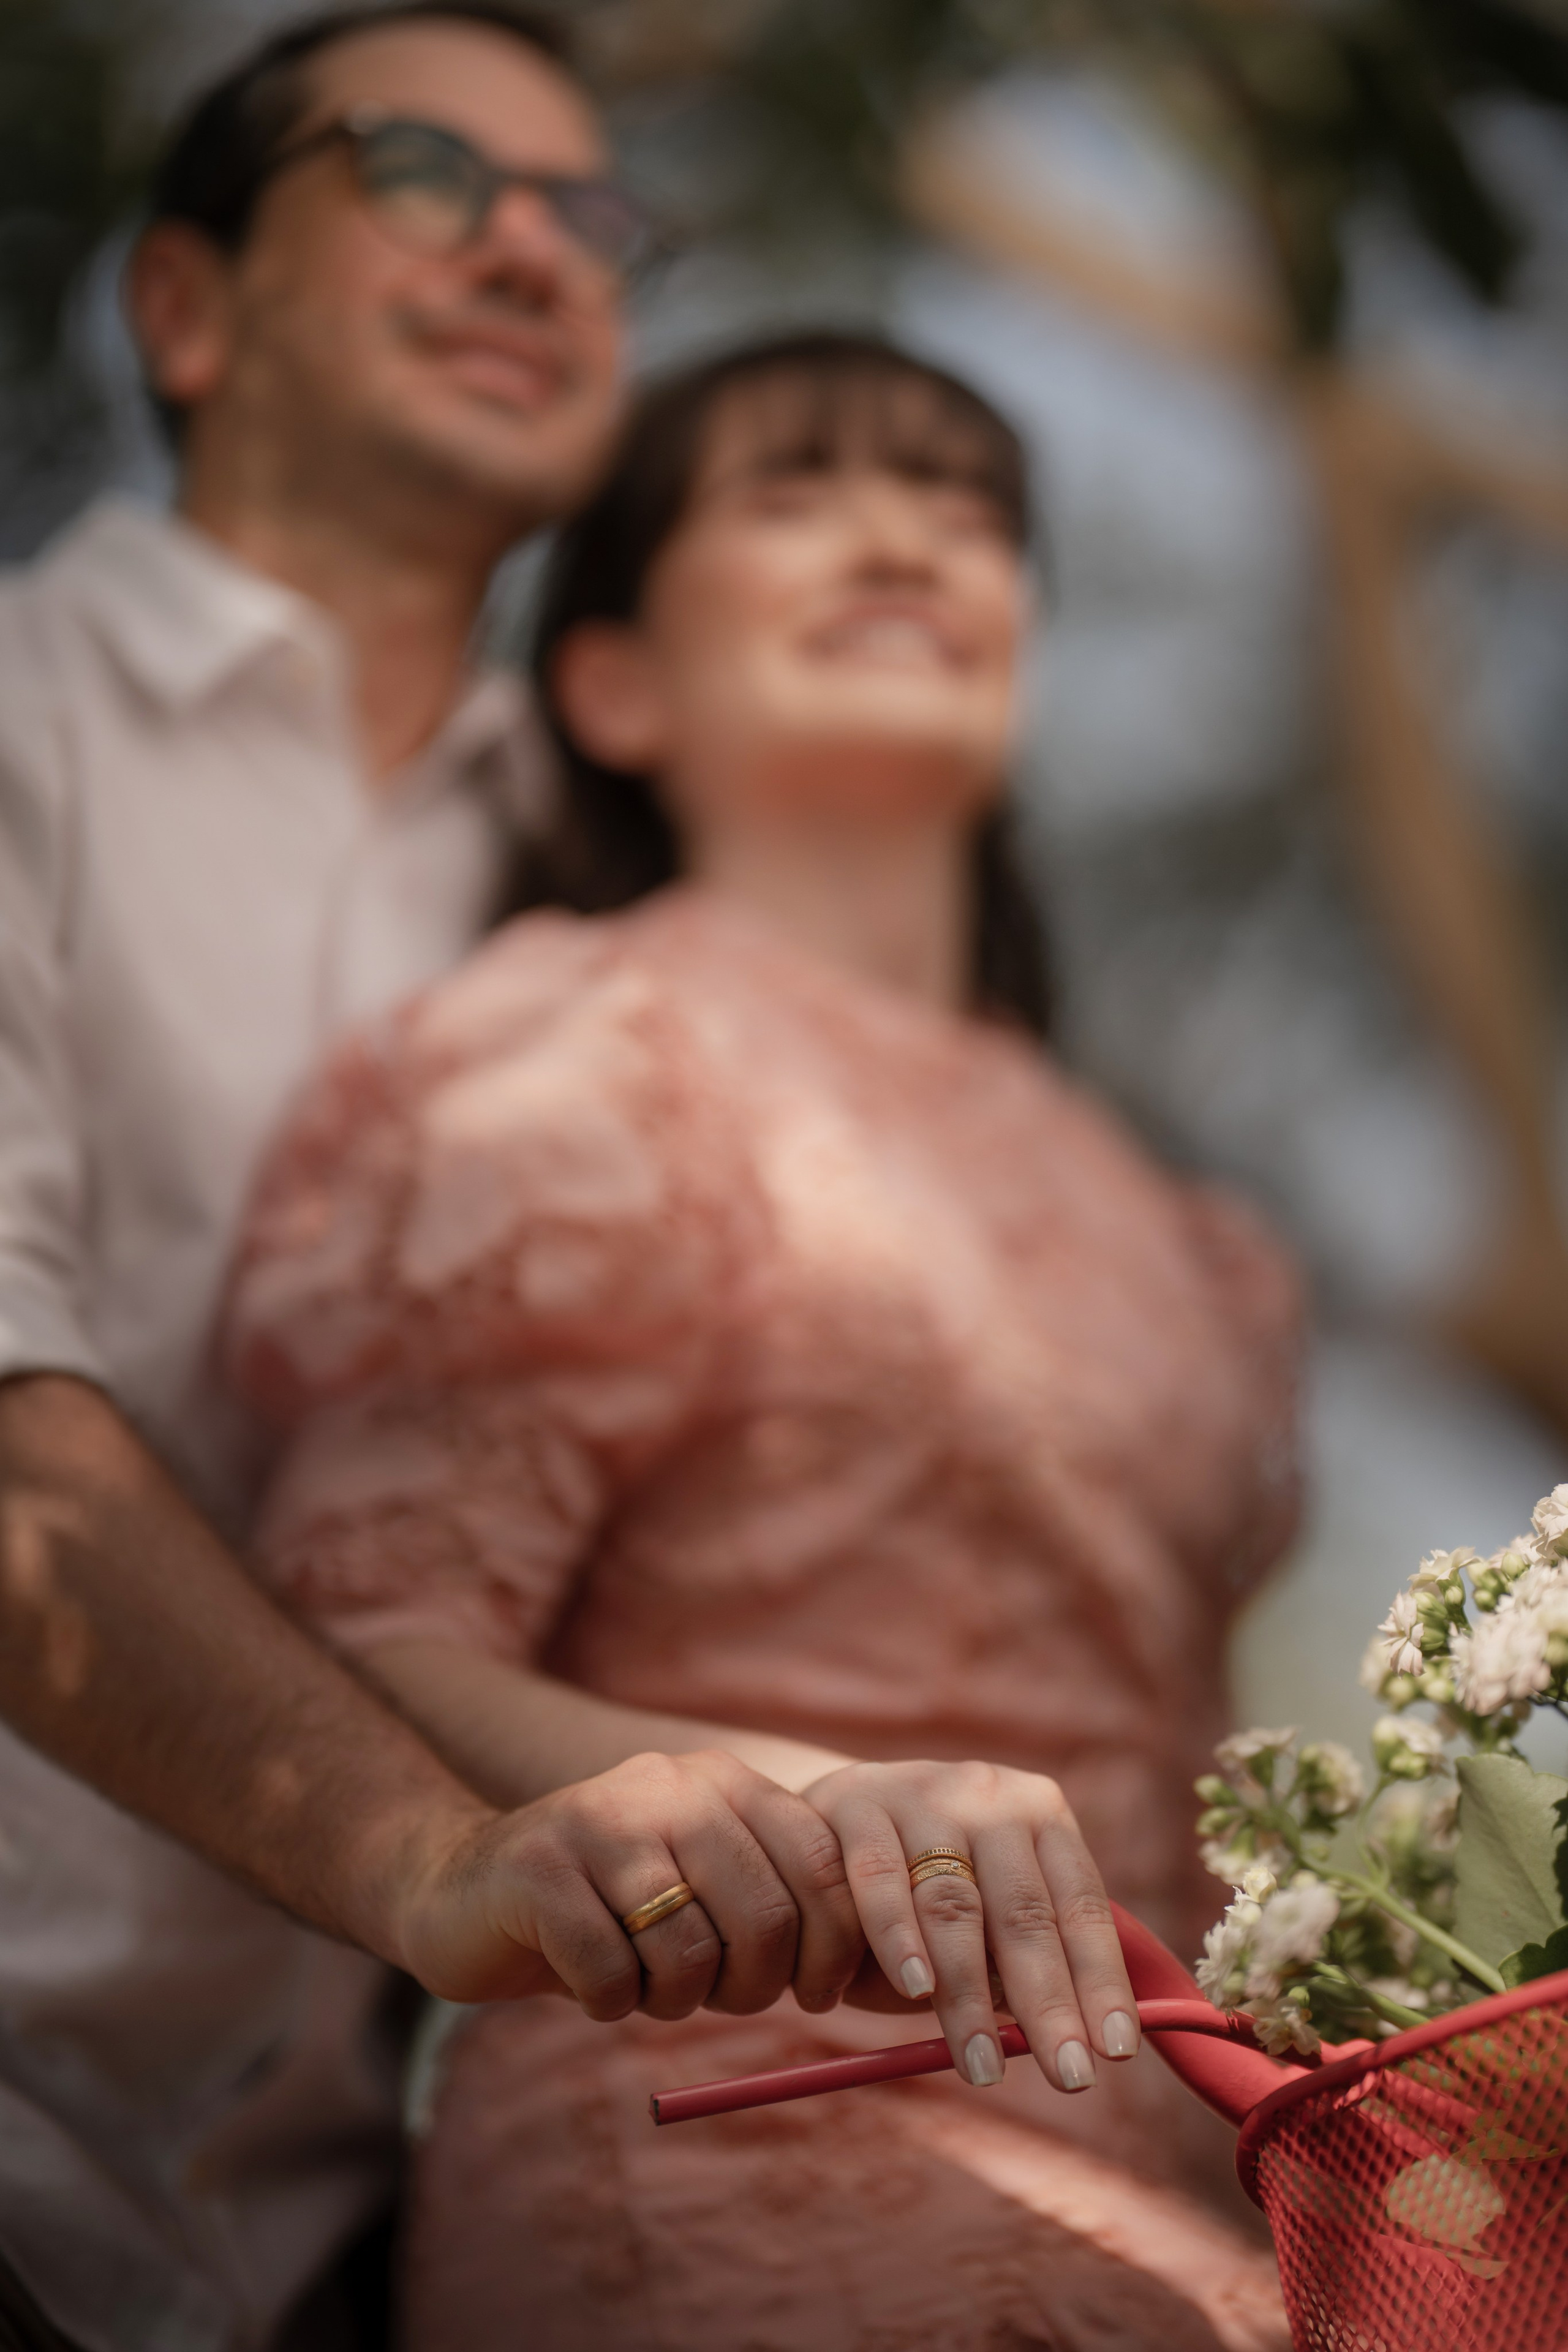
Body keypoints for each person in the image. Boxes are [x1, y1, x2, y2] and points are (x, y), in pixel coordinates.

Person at [223, 332, 1305, 2351]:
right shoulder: (568, 1065)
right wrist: (801, 1820)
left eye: (966, 507)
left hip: (1198, 2175)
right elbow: (355, 1640)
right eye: (796, 492)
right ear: (613, 683)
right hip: (733, 2138)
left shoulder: (1187, 1233)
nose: (903, 533)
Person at [0, 13, 883, 2346]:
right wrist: (429, 1861)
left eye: (598, 220)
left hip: (327, 2247)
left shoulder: (629, 919)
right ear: (183, 308)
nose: (536, 255)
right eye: (420, 173)